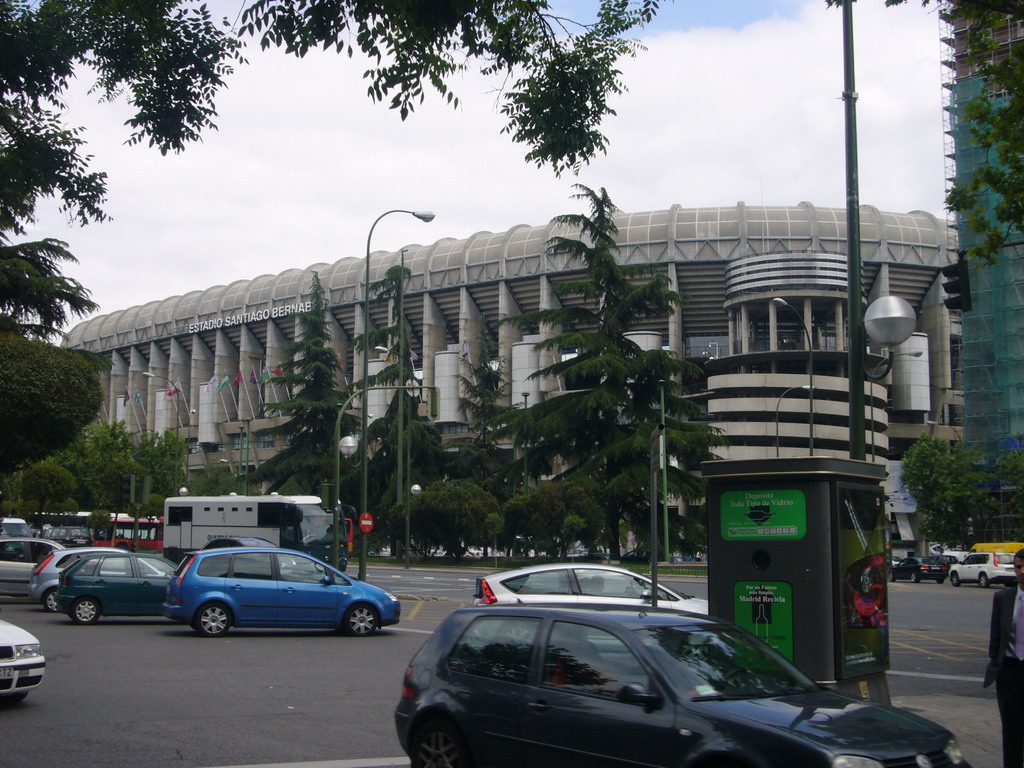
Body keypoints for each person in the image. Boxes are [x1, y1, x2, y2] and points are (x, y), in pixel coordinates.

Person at [985, 548, 1024, 768]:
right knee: (1011, 733)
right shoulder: (1003, 597)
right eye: (1018, 567)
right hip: (1009, 671)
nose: (1022, 571)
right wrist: (997, 664)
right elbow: (996, 637)